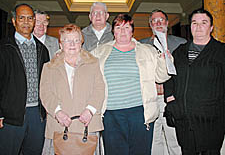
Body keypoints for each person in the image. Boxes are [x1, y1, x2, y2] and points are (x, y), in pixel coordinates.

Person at [91, 14, 171, 155]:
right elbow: (82, 65)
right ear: (113, 31)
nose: (122, 31)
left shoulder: (147, 50)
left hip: (140, 112)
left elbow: (161, 77)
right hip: (111, 113)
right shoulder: (100, 51)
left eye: (127, 27)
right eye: (118, 27)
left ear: (132, 31)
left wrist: (165, 60)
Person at [164, 9, 225, 155]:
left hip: (211, 121)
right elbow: (169, 76)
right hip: (184, 120)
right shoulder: (180, 51)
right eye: (194, 23)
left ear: (211, 27)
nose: (198, 27)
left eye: (203, 23)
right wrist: (170, 98)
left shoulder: (221, 51)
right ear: (190, 27)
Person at [40, 24, 105, 155]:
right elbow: (45, 93)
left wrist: (90, 110)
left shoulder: (93, 63)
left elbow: (99, 88)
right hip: (58, 126)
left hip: (88, 124)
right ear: (60, 44)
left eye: (76, 40)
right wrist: (57, 112)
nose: (72, 44)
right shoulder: (48, 67)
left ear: (81, 43)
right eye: (67, 40)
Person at [0, 3, 49, 155]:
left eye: (30, 18)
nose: (26, 22)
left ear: (34, 21)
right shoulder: (4, 47)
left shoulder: (42, 49)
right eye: (22, 18)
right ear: (14, 21)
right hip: (11, 115)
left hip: (37, 115)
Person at [140, 9, 186, 155]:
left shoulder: (181, 44)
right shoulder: (141, 46)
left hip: (172, 99)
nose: (158, 23)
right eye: (154, 20)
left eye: (161, 20)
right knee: (154, 139)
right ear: (150, 24)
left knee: (174, 138)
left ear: (166, 23)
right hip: (150, 99)